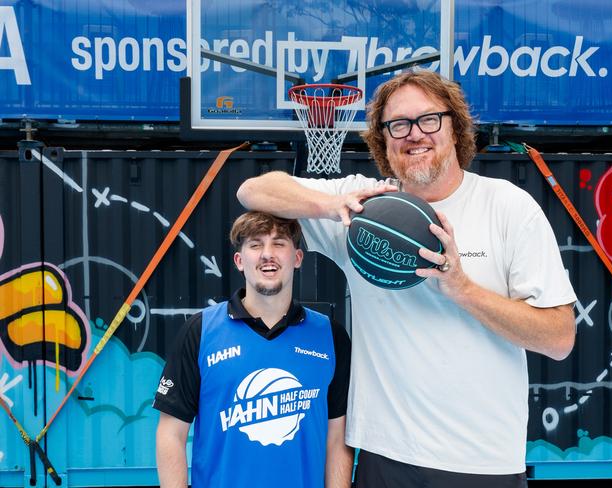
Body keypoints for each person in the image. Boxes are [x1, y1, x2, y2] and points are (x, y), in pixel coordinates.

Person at [236, 70, 576, 487]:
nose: (414, 134)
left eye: (428, 119)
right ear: (383, 139)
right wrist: (331, 204)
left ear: (455, 128)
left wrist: (463, 290)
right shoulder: (364, 207)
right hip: (386, 459)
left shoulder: (507, 206)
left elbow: (559, 338)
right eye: (398, 124)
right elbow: (255, 190)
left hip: (483, 464)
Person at [153, 211, 353, 488]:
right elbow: (171, 433)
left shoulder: (330, 336)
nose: (267, 254)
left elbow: (336, 439)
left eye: (279, 243)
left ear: (297, 258)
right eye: (255, 244)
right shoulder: (201, 331)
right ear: (239, 260)